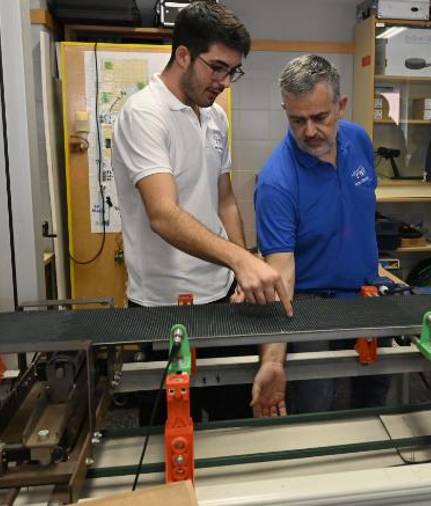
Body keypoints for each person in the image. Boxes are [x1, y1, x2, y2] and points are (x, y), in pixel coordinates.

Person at [111, 1, 290, 421]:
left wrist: (241, 268)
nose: (225, 82)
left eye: (233, 71)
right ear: (183, 55)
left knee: (233, 418)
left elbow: (224, 199)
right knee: (169, 431)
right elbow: (163, 214)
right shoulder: (144, 114)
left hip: (222, 296)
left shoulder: (214, 118)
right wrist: (242, 259)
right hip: (163, 305)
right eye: (217, 68)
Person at [252, 55, 383, 416]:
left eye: (319, 117)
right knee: (315, 405)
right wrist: (274, 360)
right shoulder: (276, 182)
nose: (309, 131)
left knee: (377, 399)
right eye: (297, 120)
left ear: (340, 107)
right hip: (311, 304)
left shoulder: (358, 140)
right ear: (285, 111)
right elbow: (281, 276)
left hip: (368, 294)